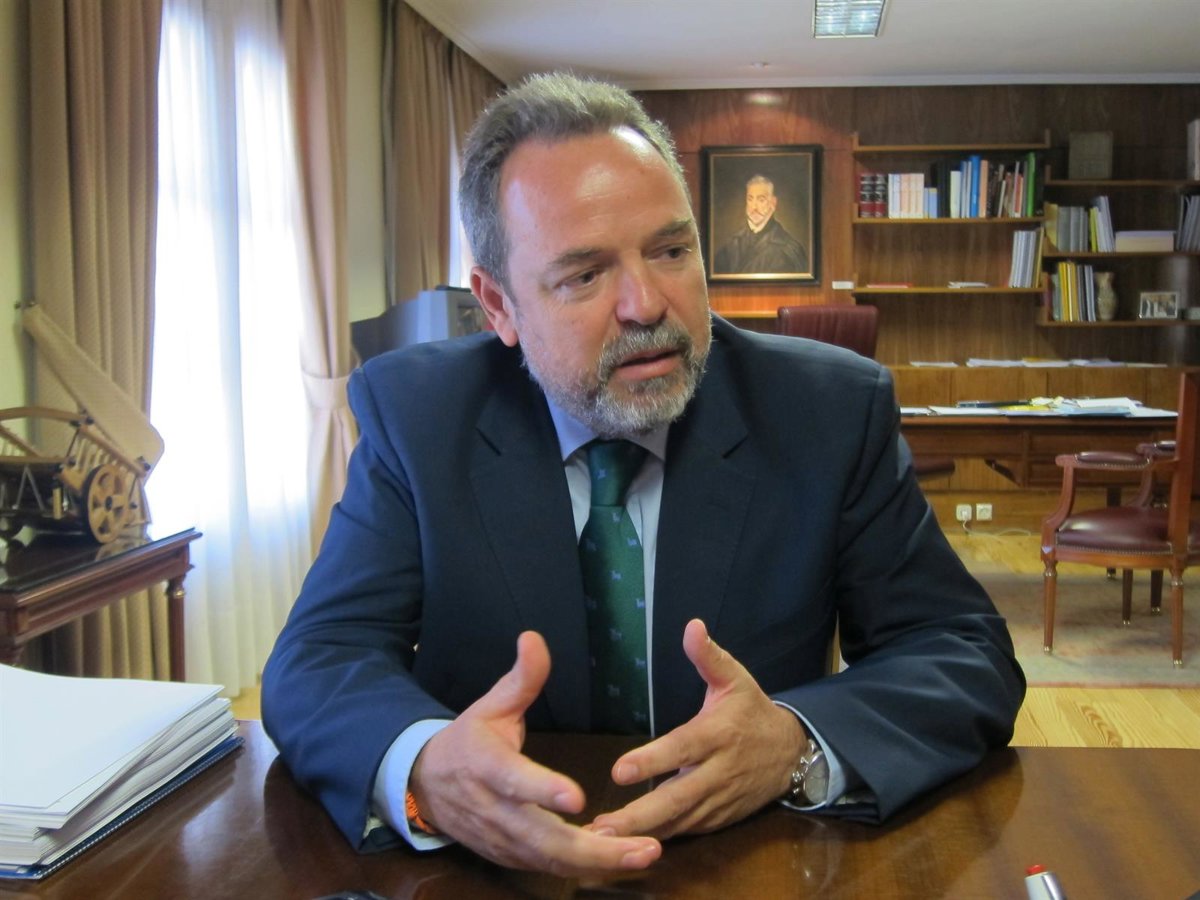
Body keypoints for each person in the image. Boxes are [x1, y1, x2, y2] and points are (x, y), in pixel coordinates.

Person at [262, 72, 1024, 879]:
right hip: (491, 873)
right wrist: (424, 766)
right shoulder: (419, 415)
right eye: (584, 275)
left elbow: (960, 652)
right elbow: (321, 655)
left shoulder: (827, 412)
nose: (646, 304)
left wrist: (794, 743)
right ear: (499, 306)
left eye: (670, 251)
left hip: (756, 861)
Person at [713, 174, 808, 274]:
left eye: (761, 200)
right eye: (750, 199)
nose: (754, 207)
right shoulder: (731, 245)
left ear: (773, 203)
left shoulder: (789, 250)